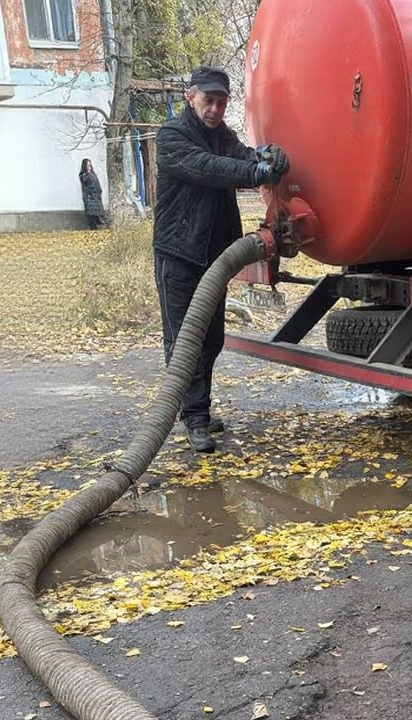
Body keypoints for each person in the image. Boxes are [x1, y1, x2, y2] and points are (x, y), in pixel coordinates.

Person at [153, 65, 289, 453]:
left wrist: (267, 154)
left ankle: (200, 410)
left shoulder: (222, 136)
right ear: (190, 97)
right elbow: (210, 169)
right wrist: (256, 171)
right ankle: (193, 418)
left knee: (211, 339)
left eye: (221, 102)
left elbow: (243, 155)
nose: (214, 109)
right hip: (178, 255)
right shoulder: (172, 136)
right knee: (185, 341)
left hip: (214, 257)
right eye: (208, 100)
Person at [78, 159, 107, 230]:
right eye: (88, 166)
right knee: (92, 214)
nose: (89, 167)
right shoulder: (83, 175)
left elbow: (97, 184)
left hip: (96, 196)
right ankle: (94, 227)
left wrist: (99, 192)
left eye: (90, 165)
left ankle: (99, 225)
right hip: (90, 197)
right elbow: (84, 181)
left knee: (98, 212)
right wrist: (87, 174)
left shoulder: (93, 173)